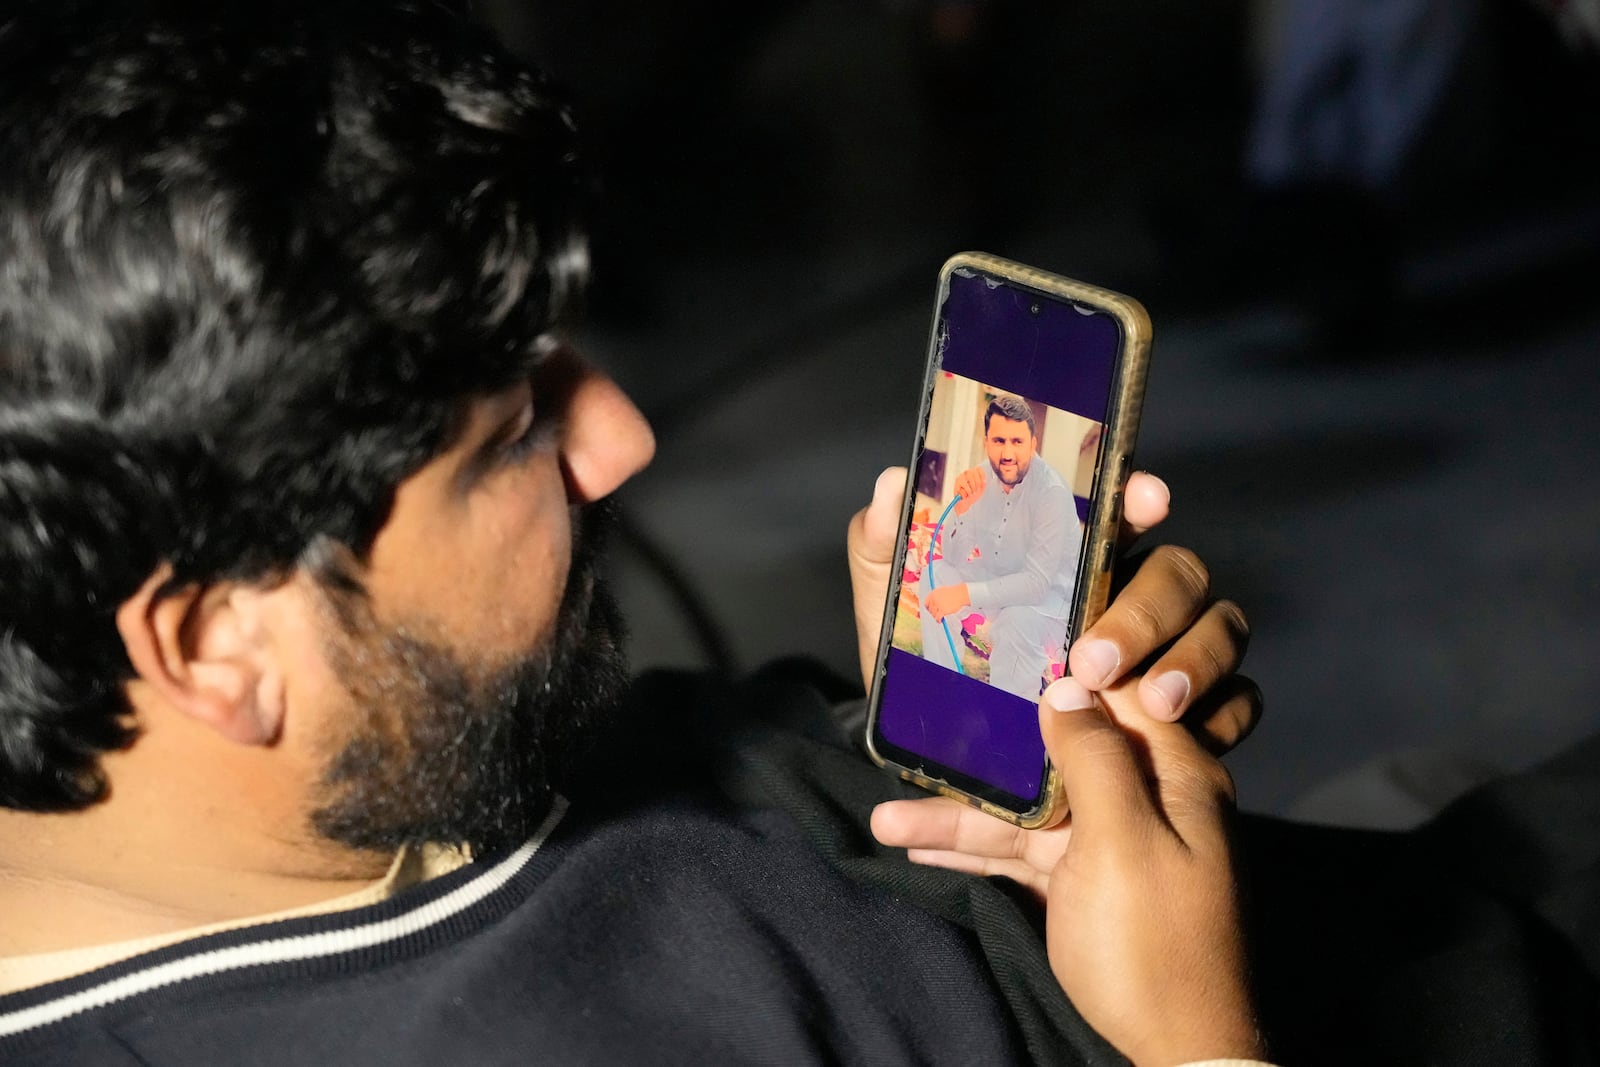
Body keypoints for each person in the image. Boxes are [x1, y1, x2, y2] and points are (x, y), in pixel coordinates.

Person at [0, 3, 1267, 1064]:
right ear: (217, 641)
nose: (620, 439)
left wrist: (921, 767)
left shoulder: (413, 745)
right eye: (510, 429)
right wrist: (1196, 1039)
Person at [919, 394, 1080, 701]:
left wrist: (964, 594)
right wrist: (963, 509)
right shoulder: (980, 477)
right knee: (934, 575)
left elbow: (1036, 585)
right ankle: (941, 686)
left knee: (1015, 621)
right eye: (999, 441)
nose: (1008, 453)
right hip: (998, 582)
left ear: (1033, 444)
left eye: (1017, 442)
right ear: (987, 442)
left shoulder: (1052, 494)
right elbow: (952, 557)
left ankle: (1006, 715)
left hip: (1046, 606)